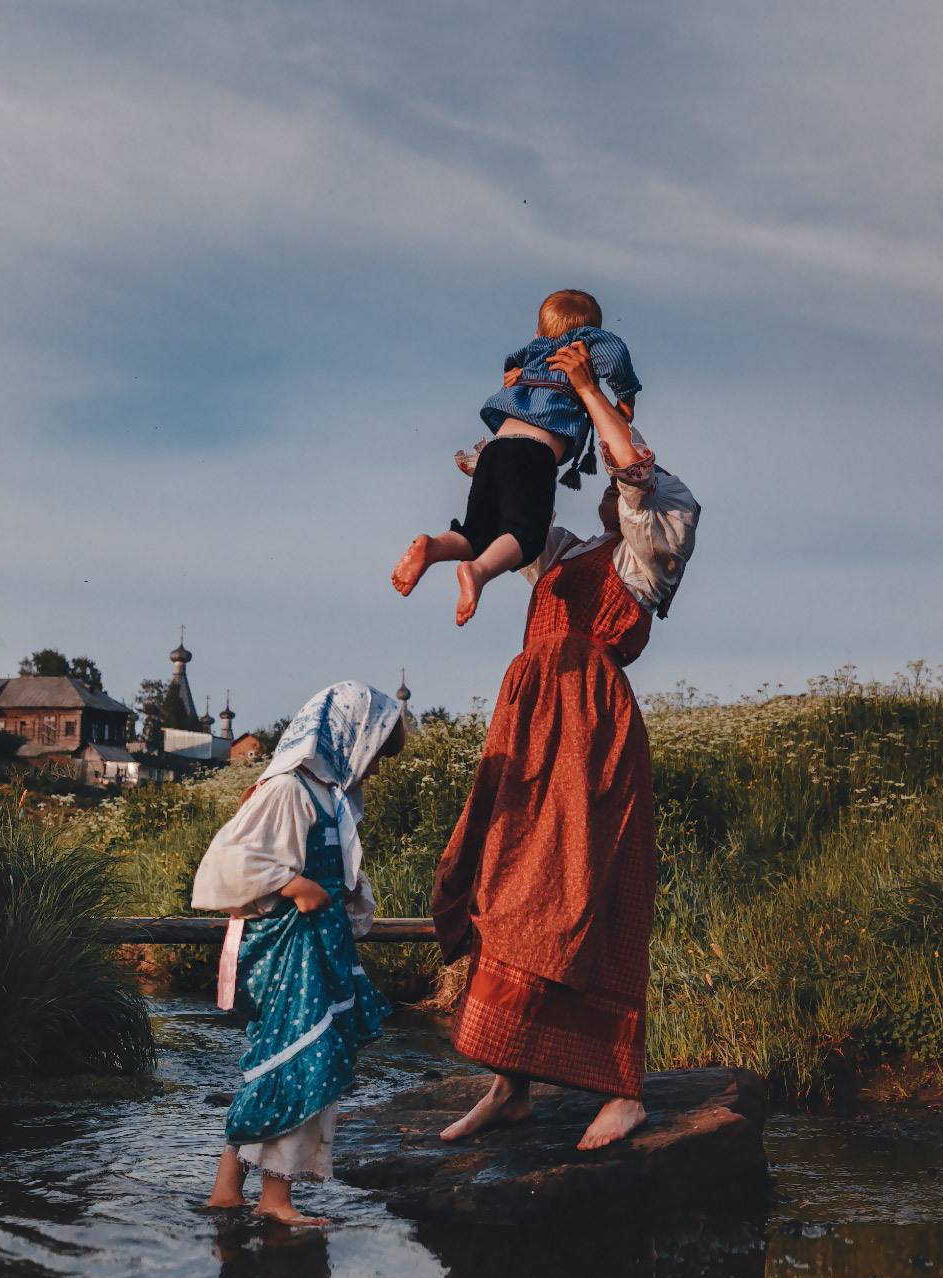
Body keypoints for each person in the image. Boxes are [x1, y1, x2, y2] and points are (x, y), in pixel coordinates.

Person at [429, 341, 700, 1150]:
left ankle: (621, 1091)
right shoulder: (569, 551)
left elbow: (631, 467)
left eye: (631, 483)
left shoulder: (649, 553)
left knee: (587, 894)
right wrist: (517, 421)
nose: (618, 484)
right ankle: (510, 1084)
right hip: (532, 724)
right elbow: (517, 513)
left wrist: (585, 386)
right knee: (510, 884)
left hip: (590, 731)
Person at [194, 682, 408, 1225]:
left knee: (278, 1061)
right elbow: (230, 859)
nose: (374, 768)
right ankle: (275, 1200)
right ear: (348, 736)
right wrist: (294, 884)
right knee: (300, 1059)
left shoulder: (325, 794)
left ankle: (227, 1190)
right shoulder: (288, 788)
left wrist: (346, 893)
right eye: (374, 752)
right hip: (290, 948)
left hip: (317, 946)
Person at [391, 288, 642, 627]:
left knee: (478, 532)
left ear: (539, 331)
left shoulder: (535, 349)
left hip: (495, 449)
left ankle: (434, 547)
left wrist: (518, 375)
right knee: (527, 534)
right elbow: (615, 355)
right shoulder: (585, 342)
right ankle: (478, 572)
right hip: (533, 452)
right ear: (590, 329)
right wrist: (625, 397)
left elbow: (511, 363)